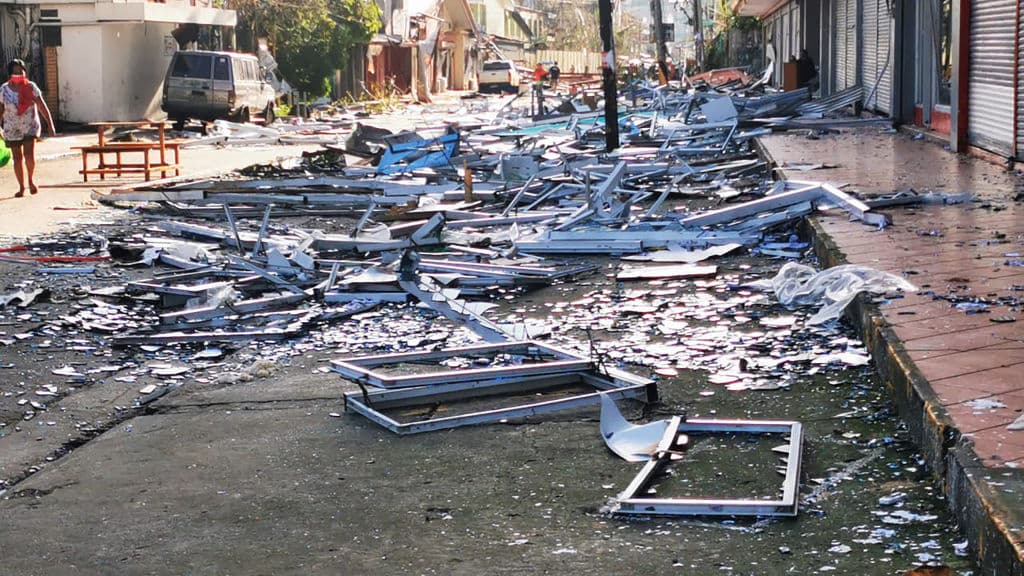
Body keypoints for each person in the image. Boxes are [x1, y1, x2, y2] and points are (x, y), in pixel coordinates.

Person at [0, 59, 55, 198]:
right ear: (10, 73)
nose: (19, 74)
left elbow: (42, 106)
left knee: (29, 155)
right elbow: (1, 109)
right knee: (17, 158)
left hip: (29, 126)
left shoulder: (31, 87)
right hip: (12, 128)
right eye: (15, 71)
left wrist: (50, 124)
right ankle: (21, 186)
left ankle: (31, 180)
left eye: (21, 71)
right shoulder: (4, 90)